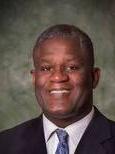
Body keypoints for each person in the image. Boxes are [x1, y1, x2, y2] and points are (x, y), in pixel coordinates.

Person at [0, 24, 115, 154]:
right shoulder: (5, 144)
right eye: (46, 68)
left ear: (94, 77)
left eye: (72, 67)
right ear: (34, 79)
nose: (58, 77)